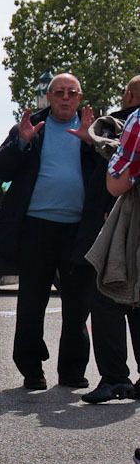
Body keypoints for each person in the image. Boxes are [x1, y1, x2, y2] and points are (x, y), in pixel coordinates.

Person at [0, 73, 102, 390]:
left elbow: (113, 173)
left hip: (79, 230)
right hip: (37, 227)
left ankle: (72, 372)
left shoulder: (94, 130)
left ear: (79, 98)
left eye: (72, 93)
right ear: (49, 97)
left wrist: (93, 146)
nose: (66, 98)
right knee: (31, 304)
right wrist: (21, 142)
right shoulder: (30, 127)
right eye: (59, 93)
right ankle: (31, 369)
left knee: (78, 305)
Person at [77, 76, 140, 403]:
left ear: (127, 94)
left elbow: (116, 183)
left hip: (129, 226)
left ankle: (115, 379)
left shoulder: (131, 122)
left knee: (107, 293)